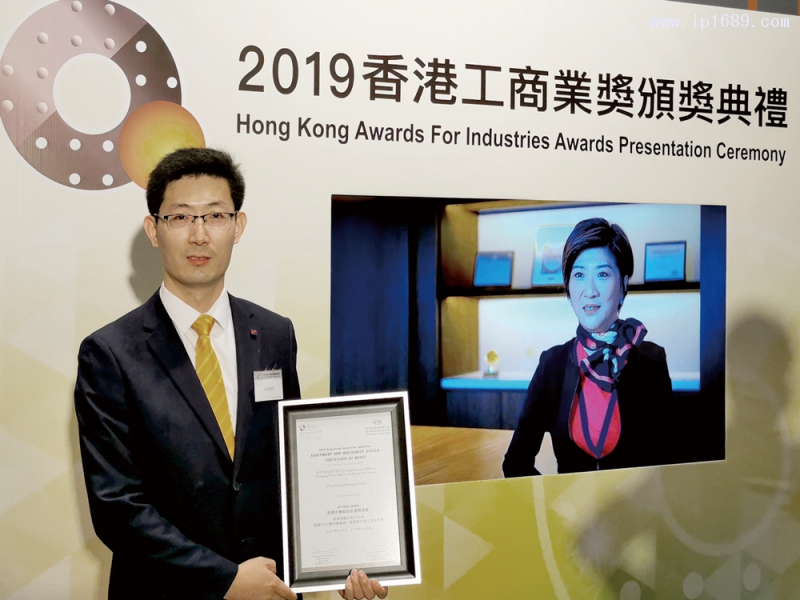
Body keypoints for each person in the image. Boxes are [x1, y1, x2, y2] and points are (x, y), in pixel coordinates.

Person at [74, 147, 388, 600]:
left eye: (216, 216)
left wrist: (340, 562)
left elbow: (292, 467)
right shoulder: (110, 353)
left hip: (272, 589)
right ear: (154, 230)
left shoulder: (275, 334)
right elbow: (116, 508)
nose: (200, 235)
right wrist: (224, 579)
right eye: (180, 217)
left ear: (238, 226)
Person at [503, 217, 673, 476]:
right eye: (579, 275)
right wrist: (556, 499)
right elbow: (516, 462)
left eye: (602, 274)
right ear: (569, 288)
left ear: (623, 284)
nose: (589, 290)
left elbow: (669, 463)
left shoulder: (651, 361)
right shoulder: (552, 364)